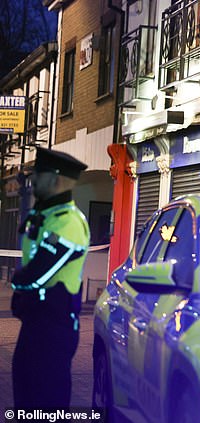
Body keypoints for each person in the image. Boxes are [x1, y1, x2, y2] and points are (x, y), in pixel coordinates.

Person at [11, 147, 90, 409]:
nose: (34, 181)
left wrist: (17, 282)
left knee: (46, 402)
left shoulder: (68, 222)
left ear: (55, 179)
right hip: (35, 321)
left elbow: (36, 273)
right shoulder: (45, 216)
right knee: (26, 397)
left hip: (54, 326)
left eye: (39, 175)